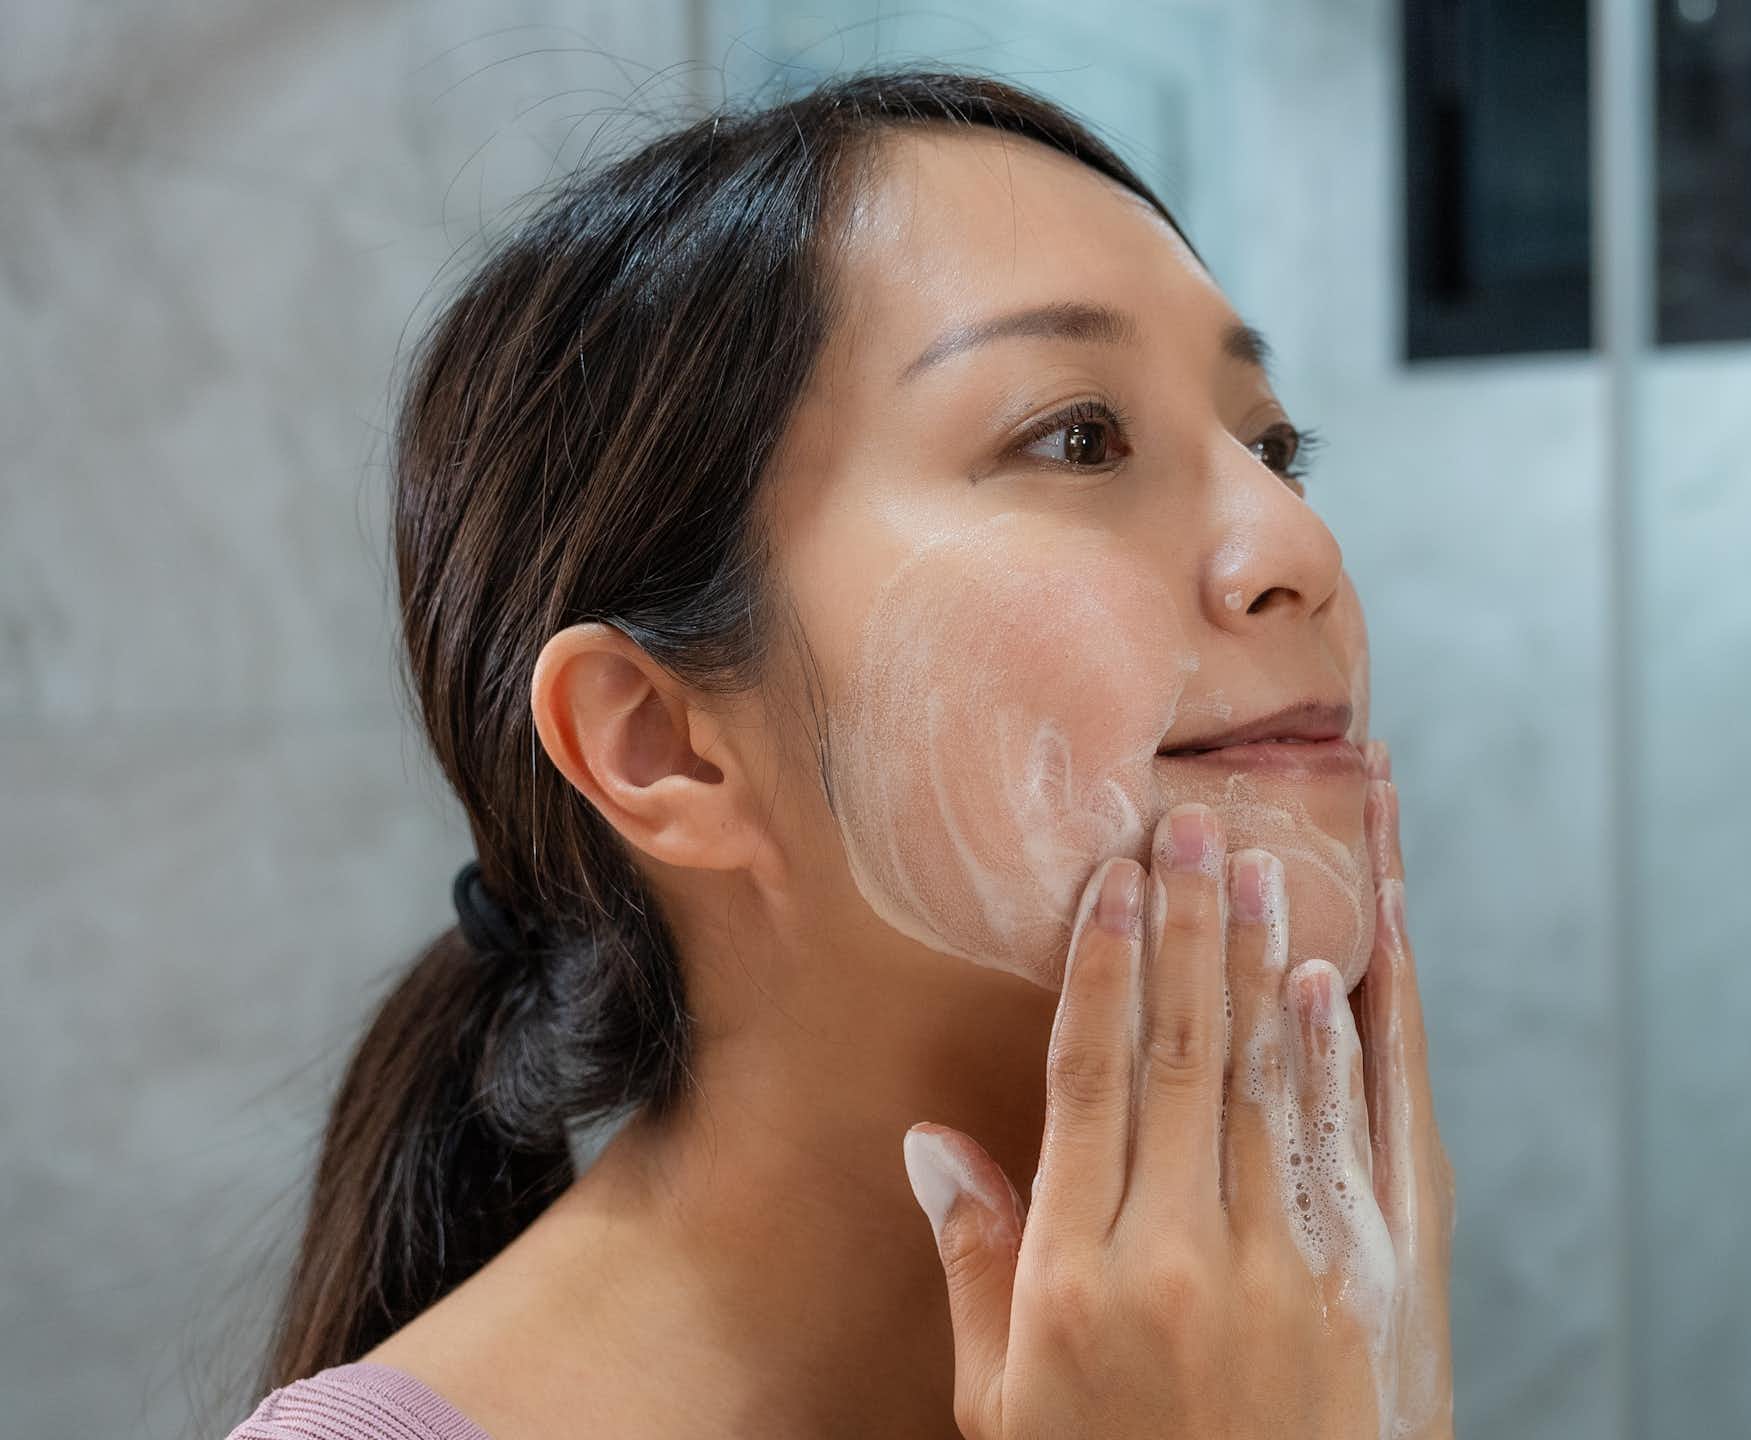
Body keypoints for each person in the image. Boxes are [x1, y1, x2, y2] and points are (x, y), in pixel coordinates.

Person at [220, 68, 1455, 1440]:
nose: (1300, 549)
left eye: (1276, 447)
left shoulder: (1289, 1357)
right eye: (1077, 437)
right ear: (662, 745)